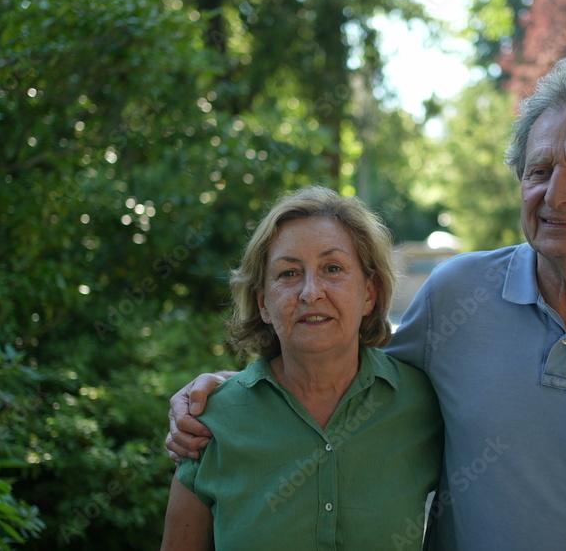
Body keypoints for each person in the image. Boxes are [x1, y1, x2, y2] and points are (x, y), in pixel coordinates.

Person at [168, 56, 566, 549]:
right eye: (539, 170)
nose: (557, 194)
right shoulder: (458, 295)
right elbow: (342, 367)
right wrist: (229, 393)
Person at [160, 186, 443, 549]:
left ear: (369, 293)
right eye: (289, 274)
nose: (311, 292)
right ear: (263, 304)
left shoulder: (422, 402)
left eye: (333, 268)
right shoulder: (210, 422)